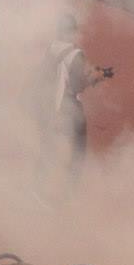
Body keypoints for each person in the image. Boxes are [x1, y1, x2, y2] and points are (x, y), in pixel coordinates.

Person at [48, 15, 110, 166]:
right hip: (69, 105)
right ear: (71, 32)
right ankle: (70, 187)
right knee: (78, 150)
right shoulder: (76, 54)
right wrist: (99, 76)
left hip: (49, 101)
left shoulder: (51, 48)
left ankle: (39, 186)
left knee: (47, 148)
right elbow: (78, 85)